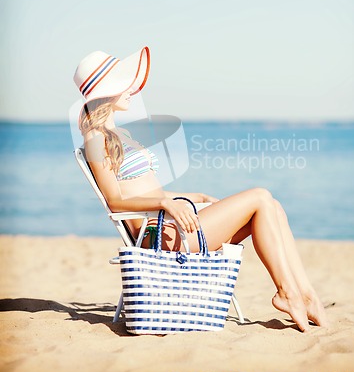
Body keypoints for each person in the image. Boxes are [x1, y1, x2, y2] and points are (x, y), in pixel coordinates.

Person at [73, 47, 328, 333]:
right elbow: (116, 201)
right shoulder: (96, 139)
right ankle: (287, 292)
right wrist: (166, 205)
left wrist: (192, 197)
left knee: (273, 207)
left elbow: (146, 190)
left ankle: (305, 294)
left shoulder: (120, 135)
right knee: (260, 196)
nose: (132, 90)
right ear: (107, 93)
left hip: (171, 227)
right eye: (124, 85)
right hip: (159, 238)